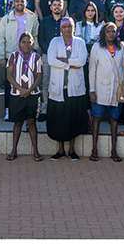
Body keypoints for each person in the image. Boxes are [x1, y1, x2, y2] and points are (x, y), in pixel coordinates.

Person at [46, 16, 89, 160]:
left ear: (73, 28)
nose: (67, 29)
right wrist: (70, 63)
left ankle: (71, 149)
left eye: (69, 27)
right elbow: (51, 60)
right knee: (58, 120)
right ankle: (60, 150)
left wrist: (63, 60)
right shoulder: (54, 42)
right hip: (58, 87)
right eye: (64, 27)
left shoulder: (80, 42)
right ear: (60, 29)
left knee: (73, 119)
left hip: (74, 88)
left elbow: (82, 61)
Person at [88, 21, 124, 162]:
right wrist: (92, 90)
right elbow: (92, 69)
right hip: (100, 89)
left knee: (114, 119)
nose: (111, 34)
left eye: (113, 31)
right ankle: (94, 150)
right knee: (97, 118)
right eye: (108, 31)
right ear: (104, 33)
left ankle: (114, 151)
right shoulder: (97, 47)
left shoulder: (121, 46)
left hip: (116, 89)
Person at [0, 0, 40, 119]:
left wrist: (35, 50)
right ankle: (8, 111)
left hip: (28, 56)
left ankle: (28, 114)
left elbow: (36, 36)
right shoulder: (6, 18)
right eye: (17, 1)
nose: (20, 3)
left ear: (26, 3)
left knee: (27, 82)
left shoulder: (32, 18)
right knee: (10, 83)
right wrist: (1, 56)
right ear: (13, 3)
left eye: (22, 1)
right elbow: (1, 38)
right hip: (11, 55)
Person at [6, 31, 43, 161]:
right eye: (23, 42)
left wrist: (29, 90)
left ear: (32, 43)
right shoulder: (13, 56)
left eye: (29, 42)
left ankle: (36, 151)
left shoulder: (37, 57)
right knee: (18, 123)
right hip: (17, 94)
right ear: (19, 44)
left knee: (31, 122)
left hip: (32, 94)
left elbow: (39, 77)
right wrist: (21, 89)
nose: (26, 45)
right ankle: (13, 150)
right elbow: (9, 75)